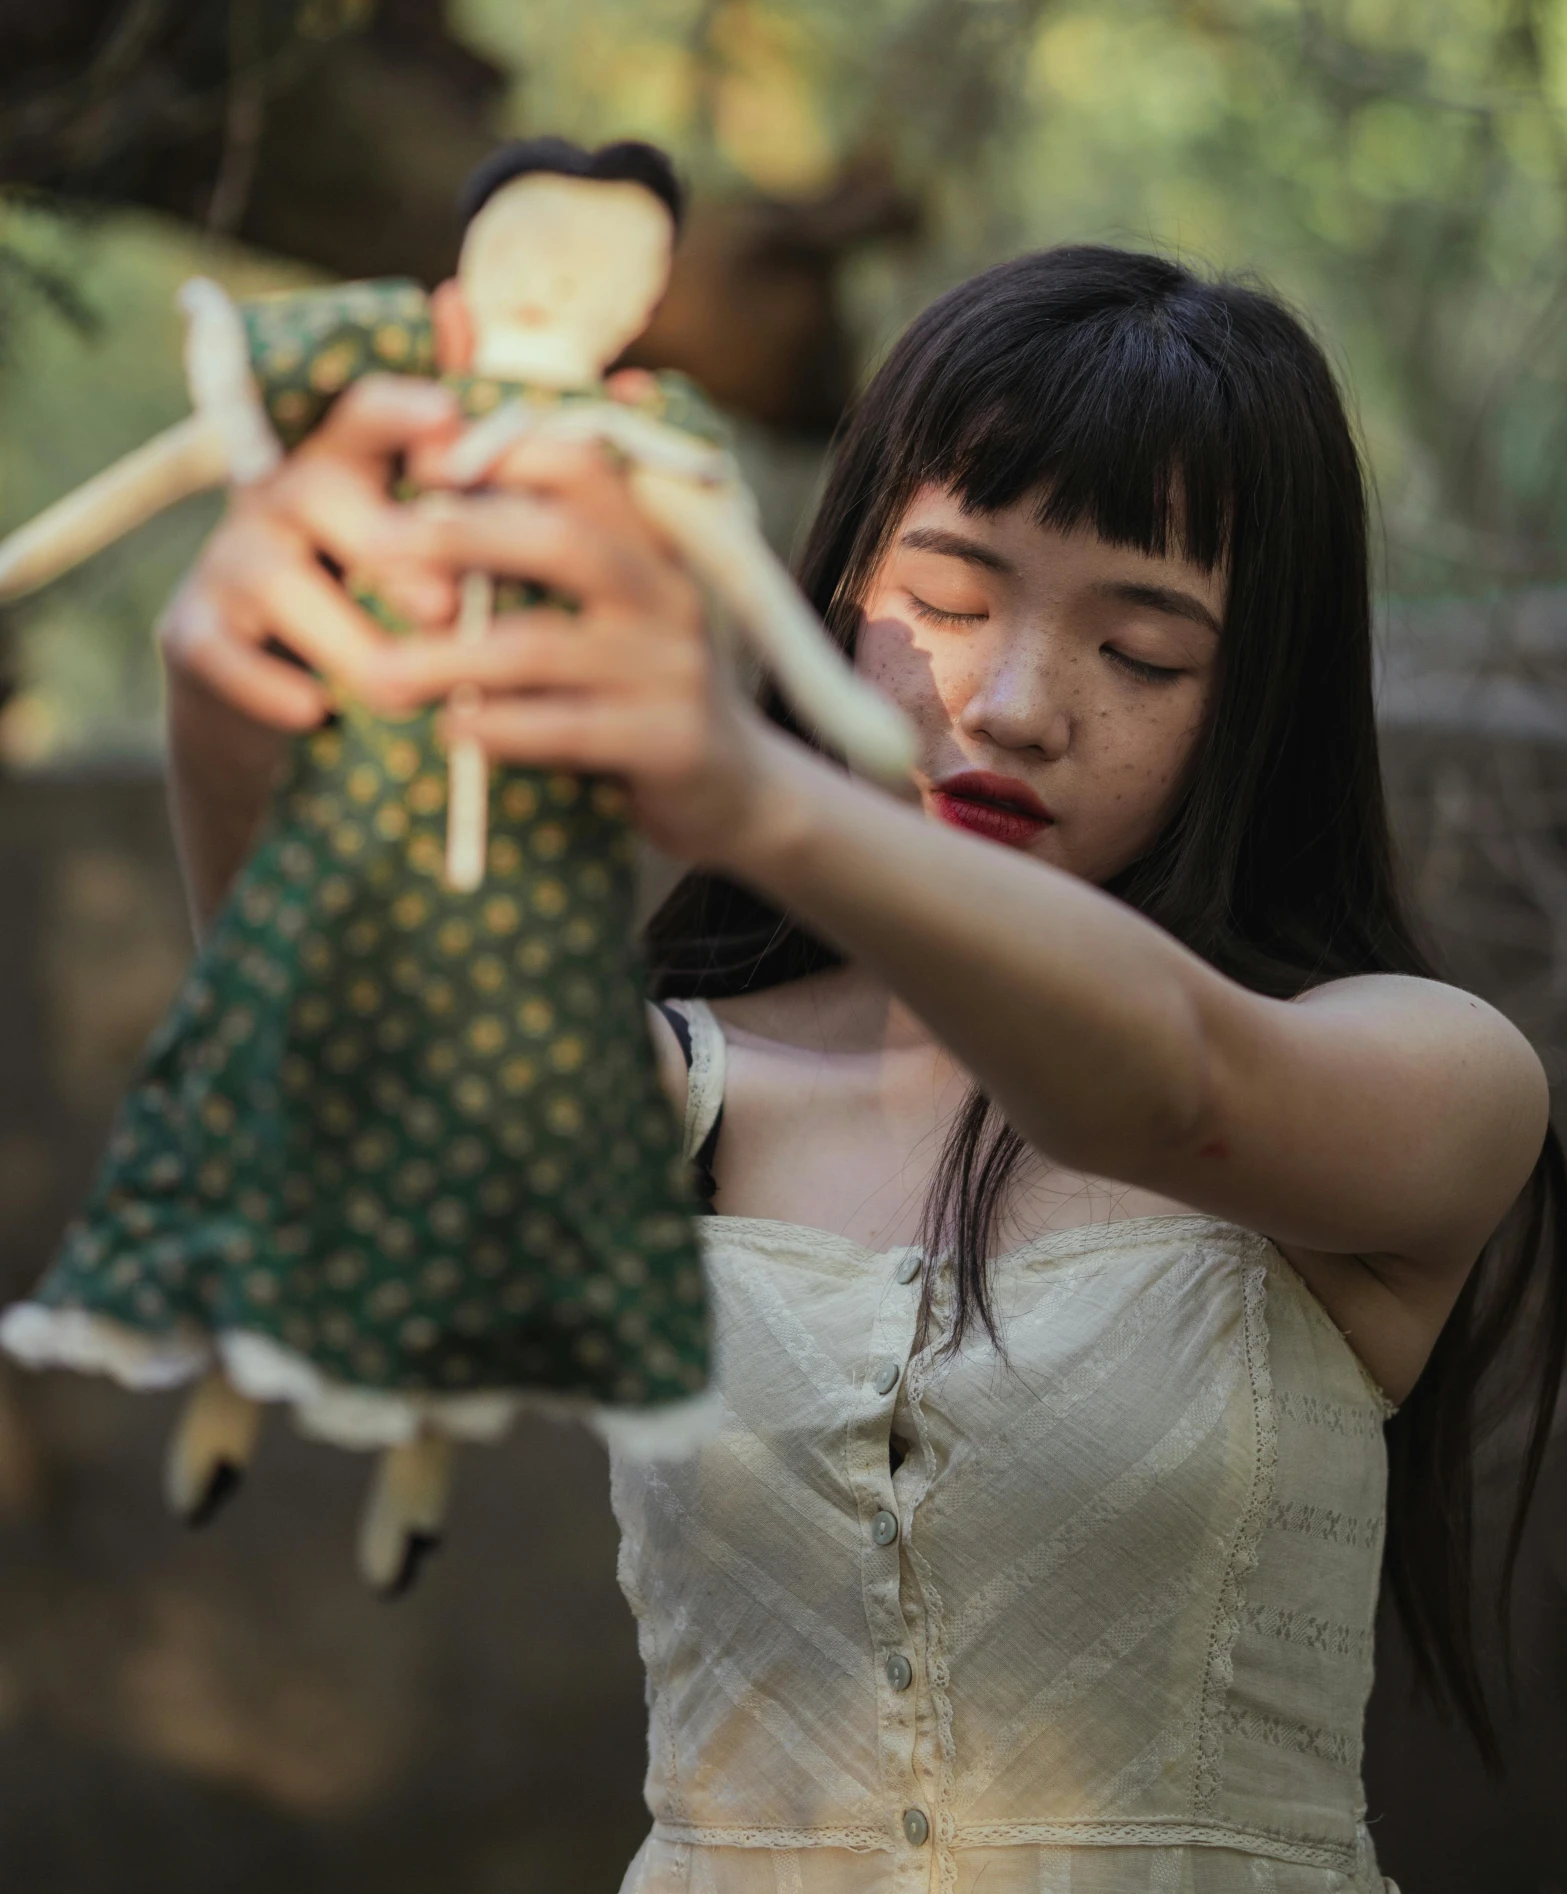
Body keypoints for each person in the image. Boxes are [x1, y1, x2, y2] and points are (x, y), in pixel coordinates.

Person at [160, 244, 1565, 1892]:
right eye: (949, 600)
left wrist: (752, 785)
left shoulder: (1419, 1072)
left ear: (1255, 700)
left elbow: (1168, 1086)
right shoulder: (680, 1094)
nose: (1015, 699)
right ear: (828, 590)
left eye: (1144, 653)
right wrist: (227, 687)